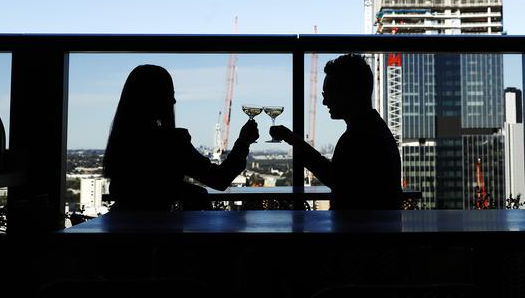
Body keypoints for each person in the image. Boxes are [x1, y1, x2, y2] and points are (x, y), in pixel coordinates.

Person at [103, 64, 259, 211]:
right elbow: (219, 179)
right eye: (170, 94)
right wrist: (243, 142)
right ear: (156, 98)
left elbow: (129, 189)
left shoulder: (122, 141)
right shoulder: (172, 142)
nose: (174, 101)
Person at [270, 53, 402, 210]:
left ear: (348, 92)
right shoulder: (374, 130)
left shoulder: (357, 137)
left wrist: (293, 140)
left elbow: (335, 178)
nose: (325, 101)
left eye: (328, 93)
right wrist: (293, 139)